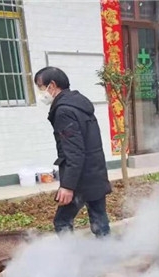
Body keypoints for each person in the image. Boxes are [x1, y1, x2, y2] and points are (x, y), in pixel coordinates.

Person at [34, 67, 112, 237]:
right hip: (95, 173)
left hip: (80, 179)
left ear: (52, 85)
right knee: (100, 222)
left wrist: (68, 186)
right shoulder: (79, 104)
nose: (40, 93)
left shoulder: (64, 111)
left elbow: (74, 151)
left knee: (62, 222)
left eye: (41, 87)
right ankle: (109, 252)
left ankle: (70, 254)